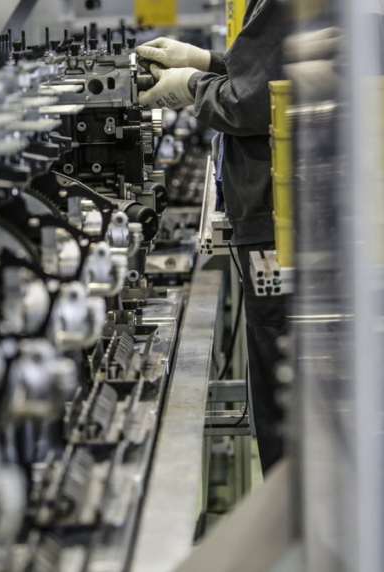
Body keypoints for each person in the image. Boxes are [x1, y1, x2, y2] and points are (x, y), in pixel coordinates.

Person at [136, 0, 289, 475]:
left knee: (284, 389)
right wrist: (205, 62)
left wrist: (191, 85)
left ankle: (294, 506)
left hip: (281, 223)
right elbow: (267, 74)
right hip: (277, 215)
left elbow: (249, 102)